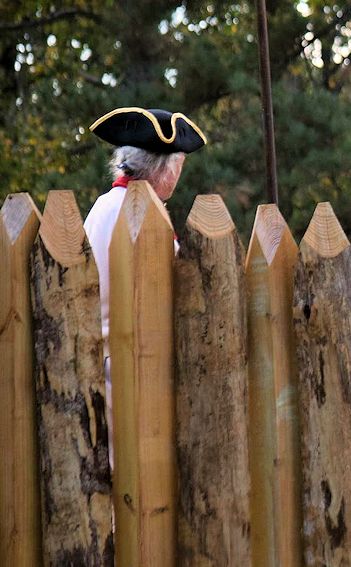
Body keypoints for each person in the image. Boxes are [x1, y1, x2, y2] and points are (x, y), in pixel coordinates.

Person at [84, 107, 207, 465]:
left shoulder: (104, 205)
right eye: (179, 163)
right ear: (165, 169)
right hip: (133, 378)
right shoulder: (145, 217)